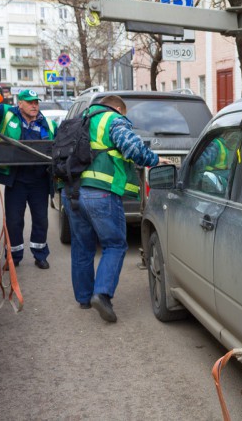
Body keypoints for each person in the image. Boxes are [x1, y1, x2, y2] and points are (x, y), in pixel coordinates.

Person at [61, 95, 171, 323]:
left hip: (71, 192)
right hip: (100, 192)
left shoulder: (80, 119)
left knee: (82, 246)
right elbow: (131, 148)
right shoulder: (112, 119)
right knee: (115, 244)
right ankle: (101, 294)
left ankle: (83, 297)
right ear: (119, 109)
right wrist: (155, 159)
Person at [0, 89, 57, 270]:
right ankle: (14, 256)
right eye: (30, 102)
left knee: (41, 219)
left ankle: (40, 255)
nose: (34, 105)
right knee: (14, 221)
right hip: (16, 181)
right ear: (20, 103)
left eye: (36, 102)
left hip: (39, 181)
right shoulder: (7, 114)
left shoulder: (47, 123)